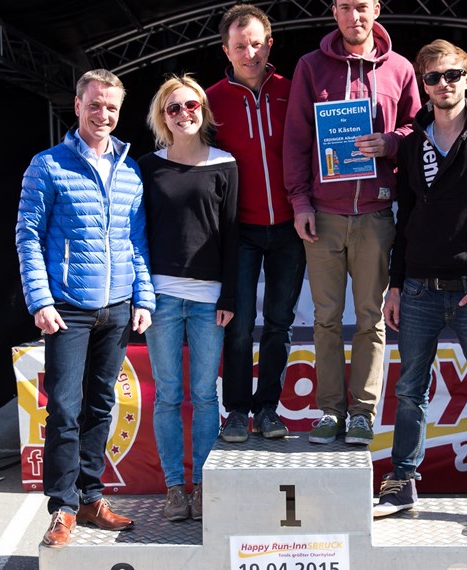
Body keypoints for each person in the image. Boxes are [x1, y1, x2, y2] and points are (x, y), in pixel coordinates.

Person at [372, 40, 467, 532]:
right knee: (410, 391)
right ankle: (402, 483)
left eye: (452, 75)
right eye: (434, 78)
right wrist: (395, 286)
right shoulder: (415, 143)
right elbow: (407, 215)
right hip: (418, 287)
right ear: (423, 86)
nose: (444, 84)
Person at [16, 69, 154, 548]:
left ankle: (92, 497)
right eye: (94, 104)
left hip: (117, 309)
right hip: (68, 310)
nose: (103, 114)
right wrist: (41, 300)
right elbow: (28, 237)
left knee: (101, 406)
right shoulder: (47, 165)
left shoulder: (130, 169)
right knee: (65, 412)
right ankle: (63, 508)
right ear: (77, 105)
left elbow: (136, 242)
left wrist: (144, 297)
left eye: (111, 107)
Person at [283, 0, 420, 446]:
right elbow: (297, 139)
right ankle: (329, 411)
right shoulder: (310, 67)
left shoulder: (400, 68)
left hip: (376, 215)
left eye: (361, 6)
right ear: (334, 13)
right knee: (324, 320)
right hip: (322, 216)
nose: (353, 16)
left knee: (369, 320)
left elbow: (417, 128)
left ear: (377, 9)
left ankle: (361, 413)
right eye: (344, 7)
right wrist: (300, 201)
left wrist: (392, 142)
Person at [139, 74, 238, 522]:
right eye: (174, 108)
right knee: (167, 395)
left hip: (208, 299)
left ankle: (204, 486)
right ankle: (175, 489)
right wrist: (141, 294)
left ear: (204, 110)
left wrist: (231, 295)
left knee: (203, 395)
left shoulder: (226, 164)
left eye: (192, 105)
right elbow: (135, 236)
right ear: (163, 116)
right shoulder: (147, 166)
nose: (184, 114)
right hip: (160, 297)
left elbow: (233, 236)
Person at [207, 4, 305, 443]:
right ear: (226, 51)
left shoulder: (293, 90)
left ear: (270, 44)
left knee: (279, 323)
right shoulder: (208, 101)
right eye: (240, 46)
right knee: (240, 323)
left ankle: (268, 409)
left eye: (256, 43)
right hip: (239, 232)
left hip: (289, 227)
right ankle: (236, 411)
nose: (250, 53)